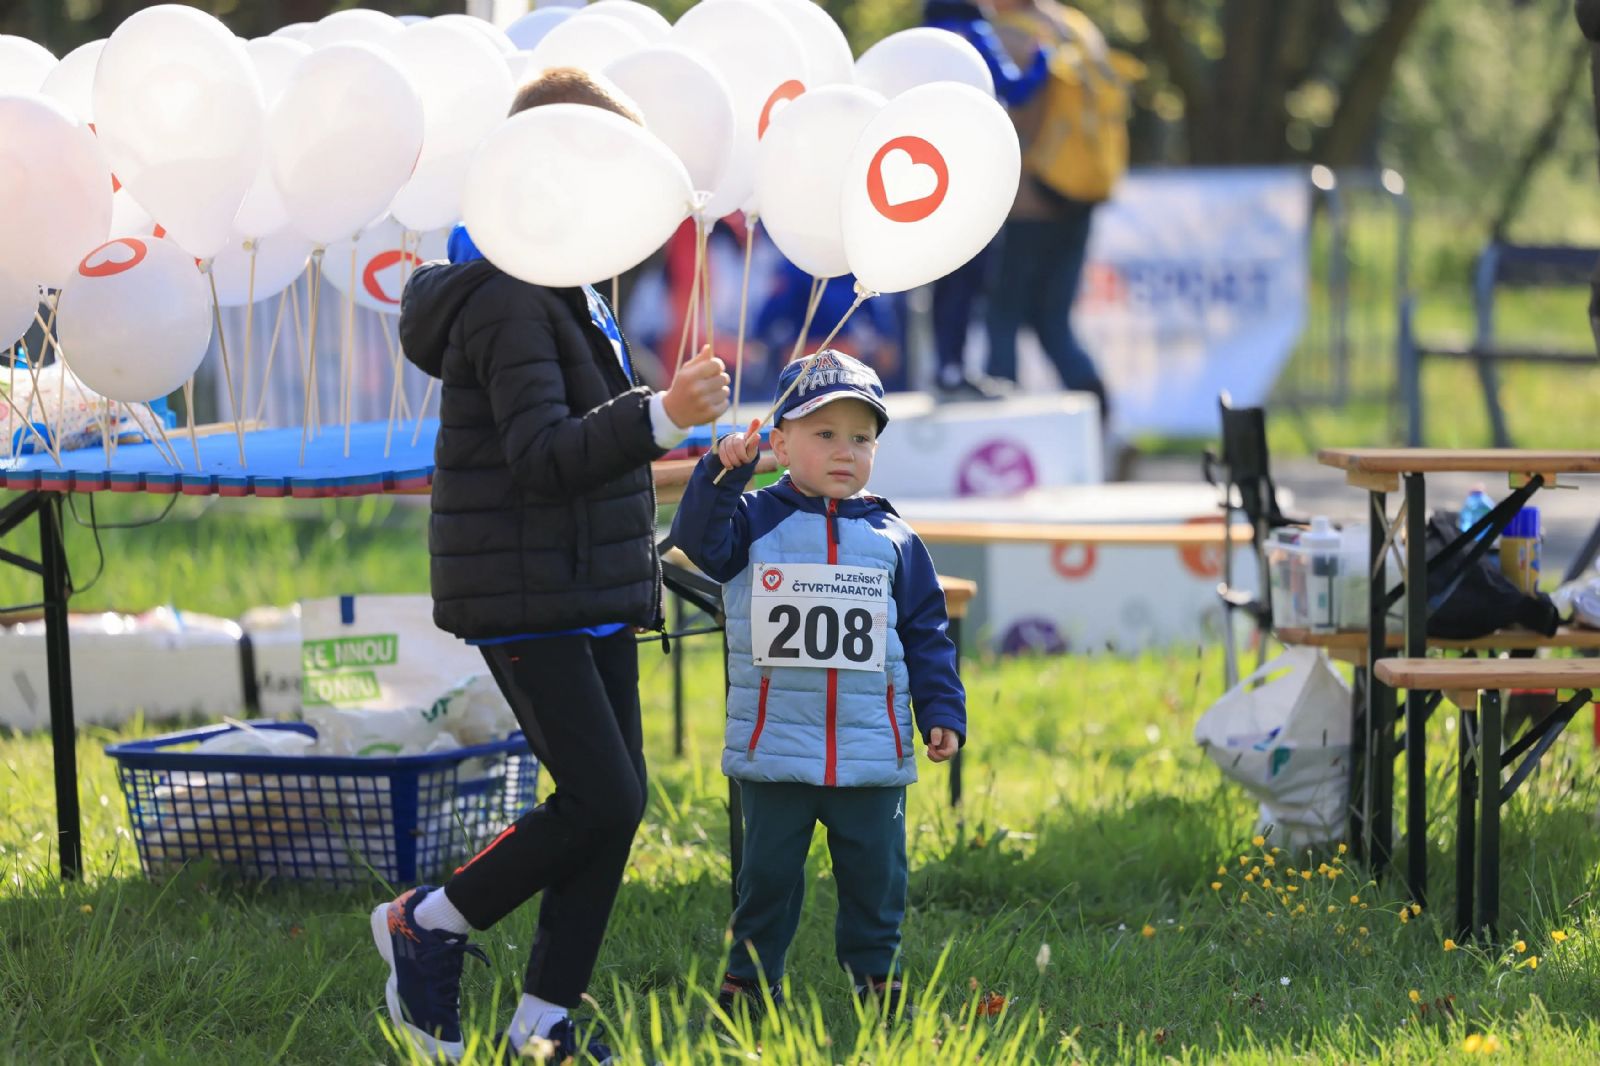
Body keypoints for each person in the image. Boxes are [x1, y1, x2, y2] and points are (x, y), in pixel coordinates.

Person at [374, 68, 733, 1064]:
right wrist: (664, 415)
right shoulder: (506, 296)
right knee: (603, 798)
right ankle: (428, 922)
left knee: (615, 806)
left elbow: (588, 440)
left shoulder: (569, 285)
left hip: (587, 585)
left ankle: (543, 1023)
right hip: (526, 592)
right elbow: (540, 456)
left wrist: (671, 430)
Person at [670, 351, 967, 1017]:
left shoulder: (895, 537)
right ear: (779, 444)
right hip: (776, 746)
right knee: (767, 877)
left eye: (861, 438)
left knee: (877, 875)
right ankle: (750, 982)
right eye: (824, 433)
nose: (844, 451)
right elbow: (697, 540)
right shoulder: (751, 519)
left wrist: (942, 710)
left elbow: (926, 633)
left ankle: (877, 978)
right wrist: (723, 471)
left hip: (871, 748)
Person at [985, 0, 1113, 425]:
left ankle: (1000, 429)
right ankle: (1102, 423)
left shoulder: (1009, 35)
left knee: (1002, 315)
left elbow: (1015, 117)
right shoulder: (1079, 28)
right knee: (1054, 322)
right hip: (1078, 191)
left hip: (1027, 200)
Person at [922, 0, 1051, 398]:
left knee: (943, 281)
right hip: (972, 178)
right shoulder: (975, 35)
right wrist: (1042, 59)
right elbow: (1016, 89)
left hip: (929, 178)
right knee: (968, 281)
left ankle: (945, 367)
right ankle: (954, 370)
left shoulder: (923, 42)